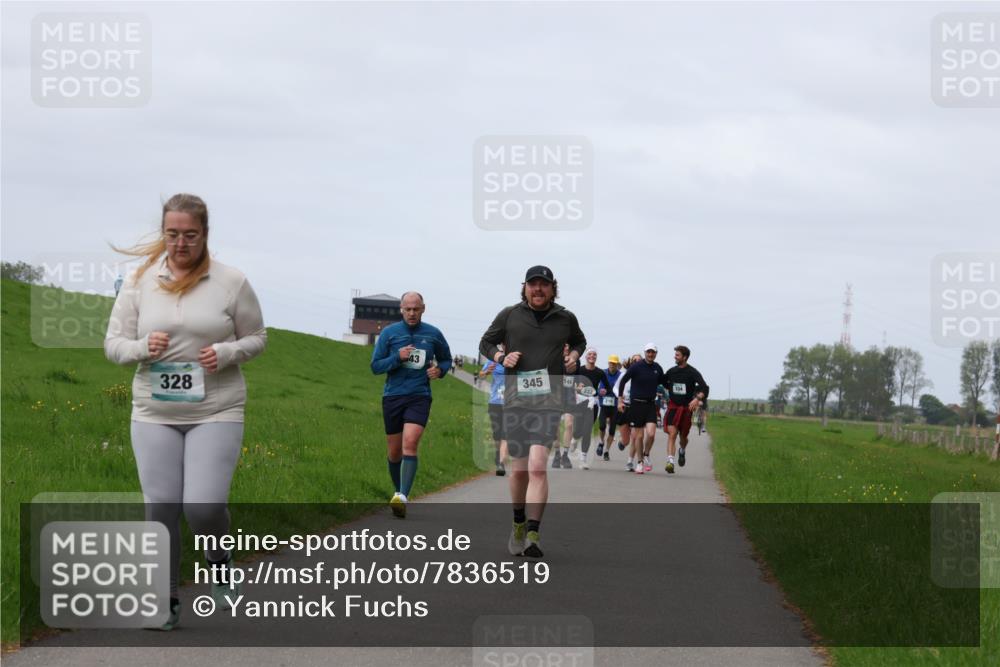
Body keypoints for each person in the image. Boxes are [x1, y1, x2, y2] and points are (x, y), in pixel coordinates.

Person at [105, 193, 267, 630]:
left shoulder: (231, 282)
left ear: (205, 235)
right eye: (172, 234)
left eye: (189, 235)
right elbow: (113, 345)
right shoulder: (140, 281)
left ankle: (219, 562)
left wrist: (228, 350)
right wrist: (142, 348)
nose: (180, 244)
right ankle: (166, 601)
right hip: (154, 411)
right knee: (160, 507)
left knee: (203, 506)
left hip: (216, 408)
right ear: (164, 233)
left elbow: (257, 337)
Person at [480, 265, 586, 558]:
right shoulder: (510, 315)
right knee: (519, 469)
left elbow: (579, 341)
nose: (538, 289)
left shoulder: (566, 317)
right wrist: (502, 356)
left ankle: (534, 534)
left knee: (538, 465)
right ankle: (517, 522)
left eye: (544, 284)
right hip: (516, 400)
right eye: (532, 284)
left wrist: (574, 357)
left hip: (548, 401)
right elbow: (485, 342)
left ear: (553, 288)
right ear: (524, 287)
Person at [371, 292, 453, 517]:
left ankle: (403, 497)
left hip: (419, 395)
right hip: (393, 396)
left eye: (416, 309)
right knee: (394, 451)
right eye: (407, 309)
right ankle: (398, 492)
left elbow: (447, 358)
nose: (412, 313)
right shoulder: (389, 333)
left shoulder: (433, 334)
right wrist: (398, 357)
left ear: (423, 309)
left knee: (410, 442)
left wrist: (440, 370)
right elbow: (376, 366)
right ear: (401, 309)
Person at [617, 344, 668, 474]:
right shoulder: (636, 367)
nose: (651, 354)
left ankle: (646, 455)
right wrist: (620, 399)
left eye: (653, 352)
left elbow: (665, 382)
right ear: (645, 353)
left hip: (650, 404)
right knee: (638, 436)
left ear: (656, 354)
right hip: (636, 404)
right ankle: (639, 462)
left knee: (651, 434)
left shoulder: (658, 368)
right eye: (648, 352)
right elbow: (623, 381)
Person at [662, 345, 710, 473]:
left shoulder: (692, 372)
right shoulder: (671, 371)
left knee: (683, 437)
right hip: (673, 407)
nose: (675, 357)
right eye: (675, 354)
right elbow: (664, 382)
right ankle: (670, 461)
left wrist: (697, 398)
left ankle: (682, 450)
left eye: (677, 355)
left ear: (685, 357)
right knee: (672, 433)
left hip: (686, 409)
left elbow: (705, 388)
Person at [570, 349, 605, 469]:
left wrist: (603, 391)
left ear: (596, 357)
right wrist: (576, 386)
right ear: (586, 356)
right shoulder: (580, 370)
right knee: (577, 431)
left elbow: (608, 388)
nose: (592, 356)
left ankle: (583, 458)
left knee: (587, 431)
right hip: (579, 402)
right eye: (590, 354)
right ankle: (574, 438)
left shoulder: (600, 372)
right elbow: (570, 382)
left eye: (594, 354)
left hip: (592, 404)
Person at [480, 347, 509, 476]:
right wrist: (486, 372)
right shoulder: (494, 360)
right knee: (497, 435)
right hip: (495, 402)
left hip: (511, 404)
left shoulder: (518, 360)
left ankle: (501, 463)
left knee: (506, 434)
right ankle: (498, 456)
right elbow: (481, 375)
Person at [596, 354, 622, 461]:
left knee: (611, 431)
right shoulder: (603, 373)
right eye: (610, 363)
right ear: (608, 363)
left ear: (617, 365)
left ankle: (606, 451)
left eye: (614, 363)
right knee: (602, 426)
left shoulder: (620, 375)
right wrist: (599, 391)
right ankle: (601, 442)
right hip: (604, 404)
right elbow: (596, 386)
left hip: (615, 406)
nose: (612, 365)